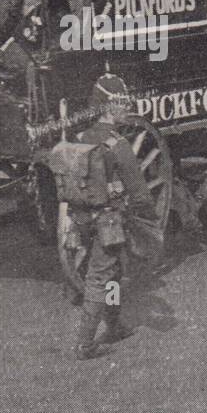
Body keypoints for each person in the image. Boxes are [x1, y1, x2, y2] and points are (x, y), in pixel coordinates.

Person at [63, 74, 156, 360]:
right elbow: (140, 193)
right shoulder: (117, 144)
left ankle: (114, 325)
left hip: (79, 220)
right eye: (122, 103)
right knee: (100, 275)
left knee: (113, 271)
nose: (126, 108)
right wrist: (148, 218)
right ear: (109, 107)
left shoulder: (78, 138)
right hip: (109, 221)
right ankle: (85, 343)